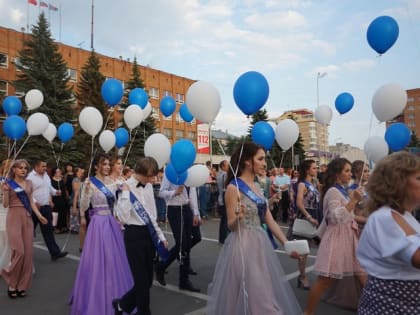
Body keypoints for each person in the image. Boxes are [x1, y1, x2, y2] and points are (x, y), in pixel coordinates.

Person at [207, 142, 301, 315]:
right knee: (254, 294)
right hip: (243, 246)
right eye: (261, 159)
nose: (265, 163)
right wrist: (238, 218)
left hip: (260, 244)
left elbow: (269, 219)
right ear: (248, 162)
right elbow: (231, 225)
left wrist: (287, 244)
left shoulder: (257, 186)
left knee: (262, 291)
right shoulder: (233, 188)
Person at [69, 153, 133, 315]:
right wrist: (86, 193)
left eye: (107, 164)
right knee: (97, 261)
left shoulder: (113, 182)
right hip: (98, 224)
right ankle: (95, 297)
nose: (106, 167)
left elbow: (120, 202)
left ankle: (116, 294)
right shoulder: (89, 182)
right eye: (103, 164)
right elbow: (84, 206)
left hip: (111, 222)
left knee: (113, 259)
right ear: (96, 165)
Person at [357, 152, 420, 314]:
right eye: (418, 178)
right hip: (393, 304)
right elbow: (416, 257)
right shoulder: (386, 217)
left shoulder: (403, 216)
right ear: (398, 183)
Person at [303, 158, 367, 315]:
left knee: (363, 275)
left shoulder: (343, 191)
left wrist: (366, 219)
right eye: (346, 170)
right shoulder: (333, 191)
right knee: (325, 280)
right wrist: (353, 201)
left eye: (350, 170)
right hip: (337, 239)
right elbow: (335, 218)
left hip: (350, 238)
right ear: (337, 174)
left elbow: (349, 217)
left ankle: (375, 309)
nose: (350, 173)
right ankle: (308, 313)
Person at [113, 157, 168, 315]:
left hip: (149, 235)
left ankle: (122, 305)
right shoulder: (124, 186)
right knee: (141, 282)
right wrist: (124, 194)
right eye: (150, 176)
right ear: (141, 173)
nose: (153, 180)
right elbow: (122, 218)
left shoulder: (149, 186)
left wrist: (161, 237)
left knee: (147, 281)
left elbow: (152, 215)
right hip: (133, 235)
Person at [1, 159, 48, 298]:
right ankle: (10, 280)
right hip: (14, 217)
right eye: (20, 168)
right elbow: (5, 205)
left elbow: (31, 202)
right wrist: (4, 192)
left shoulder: (29, 183)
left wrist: (39, 216)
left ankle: (21, 285)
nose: (23, 170)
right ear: (14, 170)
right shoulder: (8, 184)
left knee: (27, 254)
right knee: (19, 252)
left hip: (27, 218)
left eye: (25, 168)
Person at [156, 172, 201, 292]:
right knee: (183, 245)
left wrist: (196, 213)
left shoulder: (189, 172)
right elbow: (161, 192)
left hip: (187, 209)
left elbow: (192, 192)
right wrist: (174, 192)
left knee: (196, 237)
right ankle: (182, 279)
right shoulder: (169, 172)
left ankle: (164, 266)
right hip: (175, 210)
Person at [288, 159, 321, 290]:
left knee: (309, 249)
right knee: (304, 250)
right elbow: (299, 203)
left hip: (314, 215)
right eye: (314, 168)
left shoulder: (312, 183)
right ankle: (302, 277)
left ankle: (303, 276)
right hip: (306, 216)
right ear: (307, 170)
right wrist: (309, 217)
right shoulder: (302, 184)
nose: (316, 170)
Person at [27, 160, 68, 261]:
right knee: (29, 232)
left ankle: (55, 253)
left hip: (46, 207)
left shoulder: (46, 176)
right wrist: (34, 201)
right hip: (34, 208)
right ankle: (25, 253)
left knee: (48, 231)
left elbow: (48, 187)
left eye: (45, 166)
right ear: (36, 167)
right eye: (43, 166)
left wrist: (55, 192)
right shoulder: (30, 177)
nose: (45, 168)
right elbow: (27, 191)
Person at [0, 159, 11, 270]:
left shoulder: (13, 180)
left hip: (12, 211)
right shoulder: (1, 180)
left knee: (9, 238)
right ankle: (4, 264)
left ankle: (9, 263)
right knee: (3, 238)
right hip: (2, 211)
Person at [51, 167, 69, 233]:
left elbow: (65, 188)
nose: (59, 173)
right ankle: (56, 227)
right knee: (56, 213)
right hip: (55, 198)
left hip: (62, 198)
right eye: (57, 171)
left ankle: (63, 227)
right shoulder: (51, 180)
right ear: (54, 172)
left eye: (59, 171)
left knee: (63, 212)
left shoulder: (62, 179)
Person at [216, 160, 229, 244]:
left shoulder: (219, 175)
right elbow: (226, 186)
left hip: (221, 198)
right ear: (223, 167)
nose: (229, 167)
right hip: (224, 198)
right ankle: (223, 238)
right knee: (225, 219)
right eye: (227, 165)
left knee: (224, 219)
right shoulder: (224, 175)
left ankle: (222, 238)